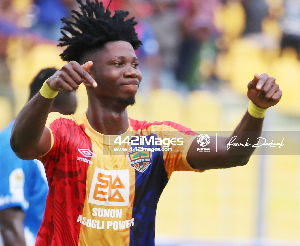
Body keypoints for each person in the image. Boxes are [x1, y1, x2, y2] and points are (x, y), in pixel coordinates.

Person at [10, 1, 282, 245]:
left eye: (135, 64)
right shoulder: (64, 131)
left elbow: (233, 153)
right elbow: (22, 145)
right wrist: (48, 91)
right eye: (119, 63)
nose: (133, 72)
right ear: (88, 73)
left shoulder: (159, 139)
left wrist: (256, 109)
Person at [0, 68, 77, 246]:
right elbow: (10, 227)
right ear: (44, 108)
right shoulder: (11, 147)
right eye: (66, 115)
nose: (69, 123)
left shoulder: (49, 149)